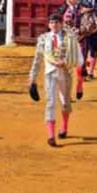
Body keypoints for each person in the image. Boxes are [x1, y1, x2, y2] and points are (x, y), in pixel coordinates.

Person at [28, 13, 83, 147]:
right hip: (50, 74)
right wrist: (32, 80)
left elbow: (79, 59)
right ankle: (51, 136)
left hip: (66, 74)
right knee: (51, 103)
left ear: (61, 23)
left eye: (57, 22)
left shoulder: (70, 38)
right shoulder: (43, 39)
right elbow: (37, 61)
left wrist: (69, 64)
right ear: (49, 25)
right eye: (52, 23)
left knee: (65, 102)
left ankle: (64, 128)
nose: (54, 25)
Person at [57, 0, 86, 100]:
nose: (69, 0)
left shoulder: (83, 10)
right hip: (65, 43)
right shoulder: (61, 9)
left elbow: (91, 25)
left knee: (79, 69)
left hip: (80, 42)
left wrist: (81, 31)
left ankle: (79, 85)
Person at [79, 0, 97, 80]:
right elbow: (76, 12)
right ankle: (83, 71)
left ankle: (91, 72)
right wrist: (84, 10)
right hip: (83, 29)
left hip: (96, 29)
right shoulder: (81, 0)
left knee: (94, 50)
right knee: (83, 51)